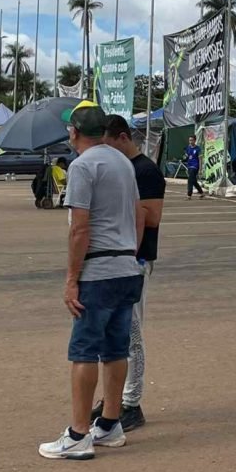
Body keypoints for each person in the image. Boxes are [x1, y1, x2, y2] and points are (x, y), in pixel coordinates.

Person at [38, 101, 145, 461]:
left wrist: (71, 278)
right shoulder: (122, 162)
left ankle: (79, 433)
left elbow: (79, 229)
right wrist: (129, 252)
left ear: (74, 132)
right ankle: (110, 423)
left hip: (98, 272)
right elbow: (138, 214)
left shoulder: (83, 166)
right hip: (127, 268)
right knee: (116, 350)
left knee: (83, 350)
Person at [93, 115, 166, 431]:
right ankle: (113, 399)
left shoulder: (146, 171)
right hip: (113, 260)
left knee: (131, 334)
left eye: (109, 145)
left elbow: (152, 218)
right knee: (112, 334)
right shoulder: (118, 169)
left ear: (123, 138)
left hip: (136, 260)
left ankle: (130, 403)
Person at [183, 134, 204, 199]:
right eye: (189, 140)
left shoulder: (198, 149)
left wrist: (200, 169)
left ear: (195, 140)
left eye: (192, 140)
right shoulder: (188, 148)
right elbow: (186, 157)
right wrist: (184, 158)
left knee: (190, 180)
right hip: (189, 166)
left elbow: (200, 159)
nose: (190, 142)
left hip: (195, 166)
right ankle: (201, 193)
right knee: (194, 181)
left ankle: (189, 195)